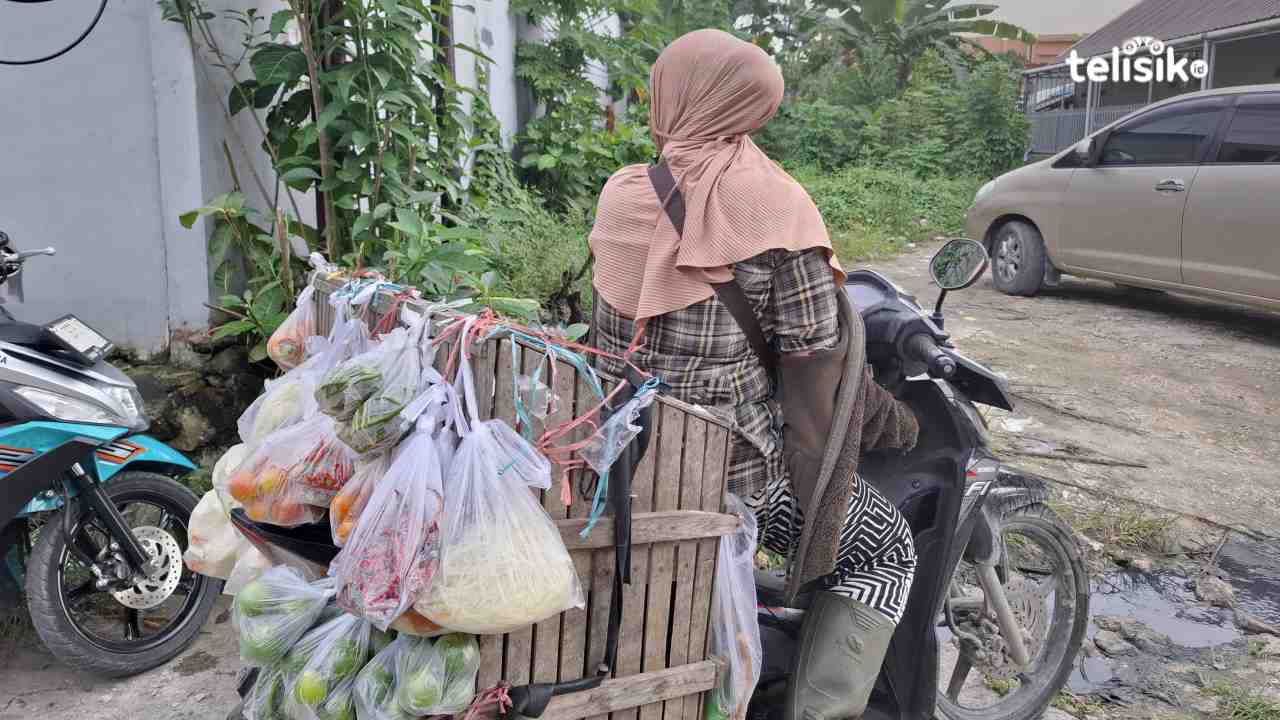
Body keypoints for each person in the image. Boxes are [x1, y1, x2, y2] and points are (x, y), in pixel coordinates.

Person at [589, 29, 921, 720]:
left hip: (618, 460)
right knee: (885, 545)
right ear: (748, 106)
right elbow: (815, 368)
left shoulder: (622, 195)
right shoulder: (774, 206)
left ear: (671, 96)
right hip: (730, 475)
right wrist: (881, 428)